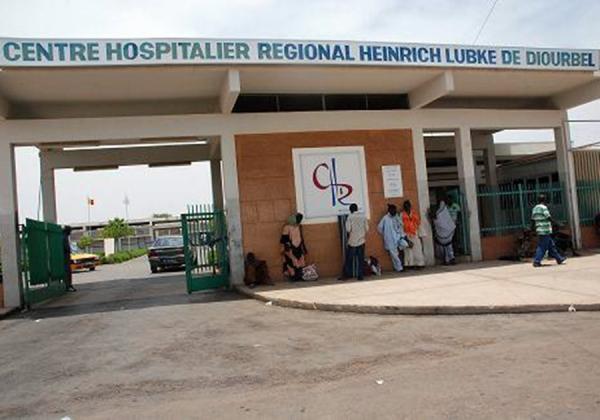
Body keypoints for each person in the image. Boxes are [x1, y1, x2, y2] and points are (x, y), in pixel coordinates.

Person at [531, 194, 566, 267]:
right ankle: (537, 261)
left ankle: (559, 259)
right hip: (545, 229)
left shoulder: (535, 208)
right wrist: (557, 223)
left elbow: (533, 219)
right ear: (545, 200)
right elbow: (548, 217)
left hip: (539, 229)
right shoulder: (544, 208)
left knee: (551, 246)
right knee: (542, 246)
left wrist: (533, 228)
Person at [341, 203, 369, 280]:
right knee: (360, 259)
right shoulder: (363, 216)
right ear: (357, 209)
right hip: (361, 241)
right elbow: (367, 229)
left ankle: (346, 275)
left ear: (350, 210)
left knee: (349, 260)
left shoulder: (350, 217)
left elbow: (348, 229)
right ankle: (360, 275)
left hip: (352, 242)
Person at [377, 204, 408, 272]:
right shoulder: (385, 218)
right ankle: (399, 268)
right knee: (394, 255)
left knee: (403, 248)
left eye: (395, 210)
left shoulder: (396, 217)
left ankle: (401, 266)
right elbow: (379, 228)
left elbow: (401, 226)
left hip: (398, 238)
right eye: (393, 210)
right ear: (389, 210)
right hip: (390, 239)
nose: (395, 211)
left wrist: (402, 235)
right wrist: (385, 234)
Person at [280, 213, 308, 282]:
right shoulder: (287, 227)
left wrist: (303, 248)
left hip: (299, 246)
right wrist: (285, 249)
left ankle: (299, 276)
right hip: (290, 247)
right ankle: (293, 276)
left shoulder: (299, 226)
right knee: (291, 261)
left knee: (300, 261)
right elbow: (284, 239)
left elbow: (301, 237)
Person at [431, 199, 456, 265]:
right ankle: (448, 259)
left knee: (448, 247)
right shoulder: (440, 212)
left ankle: (450, 259)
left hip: (447, 233)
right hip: (443, 234)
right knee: (446, 247)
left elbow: (444, 221)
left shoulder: (442, 212)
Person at [401, 200, 425, 269]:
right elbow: (400, 226)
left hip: (415, 233)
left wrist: (421, 234)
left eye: (408, 206)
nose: (407, 208)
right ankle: (409, 264)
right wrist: (403, 236)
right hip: (406, 234)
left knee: (417, 249)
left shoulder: (414, 214)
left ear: (410, 206)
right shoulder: (402, 215)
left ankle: (420, 264)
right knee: (408, 251)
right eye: (405, 206)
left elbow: (419, 224)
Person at [62, 225, 76, 292]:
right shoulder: (64, 237)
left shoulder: (64, 236)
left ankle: (68, 285)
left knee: (67, 271)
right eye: (70, 231)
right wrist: (69, 250)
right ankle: (68, 286)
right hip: (65, 257)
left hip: (65, 256)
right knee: (67, 272)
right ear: (67, 231)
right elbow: (66, 247)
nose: (70, 232)